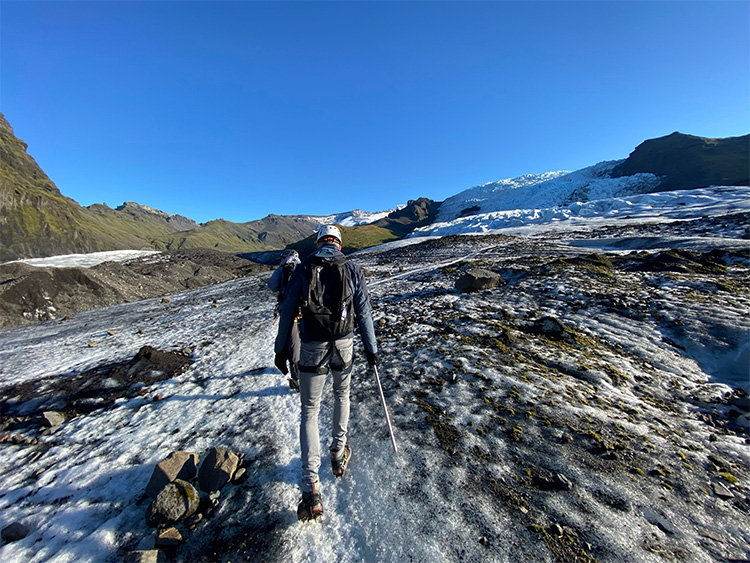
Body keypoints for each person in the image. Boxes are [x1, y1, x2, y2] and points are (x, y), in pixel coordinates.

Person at [274, 225, 378, 522]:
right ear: (339, 244)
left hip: (312, 346)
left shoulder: (304, 267)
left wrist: (281, 349)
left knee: (309, 410)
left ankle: (311, 488)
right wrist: (371, 348)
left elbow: (287, 309)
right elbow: (364, 312)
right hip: (344, 344)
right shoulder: (352, 268)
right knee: (341, 394)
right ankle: (337, 453)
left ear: (319, 241)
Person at [267, 249, 302, 391]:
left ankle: (297, 379)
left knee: (292, 343)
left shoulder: (283, 269)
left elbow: (272, 286)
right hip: (305, 311)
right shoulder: (304, 267)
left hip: (288, 312)